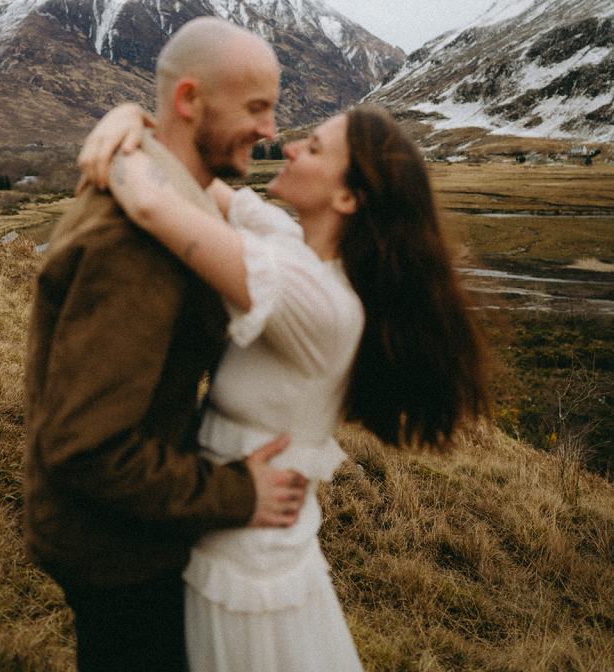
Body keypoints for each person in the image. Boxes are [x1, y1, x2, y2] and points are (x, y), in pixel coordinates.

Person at [78, 95, 491, 672]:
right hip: (237, 536)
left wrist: (110, 132)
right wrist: (132, 117)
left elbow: (150, 202)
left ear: (346, 197)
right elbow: (207, 189)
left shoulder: (318, 301)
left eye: (314, 147)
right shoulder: (296, 248)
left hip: (246, 567)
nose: (290, 146)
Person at [24, 17, 310, 672]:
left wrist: (130, 118)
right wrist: (240, 494)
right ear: (189, 101)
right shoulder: (136, 244)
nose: (272, 131)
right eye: (257, 107)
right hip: (116, 552)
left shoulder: (159, 184)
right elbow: (88, 448)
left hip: (122, 533)